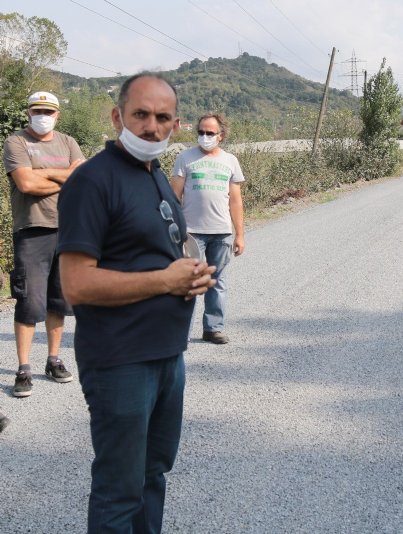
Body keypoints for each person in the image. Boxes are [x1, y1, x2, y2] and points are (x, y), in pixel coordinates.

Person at [57, 73, 216, 533]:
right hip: (120, 361)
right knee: (119, 490)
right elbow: (77, 285)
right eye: (141, 114)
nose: (151, 127)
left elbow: (169, 245)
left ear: (175, 124)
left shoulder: (157, 174)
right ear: (117, 116)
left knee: (152, 475)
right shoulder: (92, 181)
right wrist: (164, 281)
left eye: (162, 118)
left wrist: (191, 270)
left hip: (167, 355)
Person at [2, 91, 84, 398]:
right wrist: (65, 177)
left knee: (58, 301)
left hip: (68, 230)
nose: (42, 115)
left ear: (57, 114)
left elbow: (82, 179)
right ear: (28, 112)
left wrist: (44, 173)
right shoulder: (16, 142)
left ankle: (53, 360)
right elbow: (25, 183)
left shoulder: (68, 142)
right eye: (37, 110)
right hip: (32, 230)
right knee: (28, 302)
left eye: (48, 111)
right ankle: (23, 369)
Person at [171, 112, 245, 344]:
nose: (204, 136)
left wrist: (239, 234)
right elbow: (174, 197)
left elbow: (235, 201)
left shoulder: (230, 161)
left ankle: (213, 329)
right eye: (201, 132)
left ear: (220, 135)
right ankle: (179, 332)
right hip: (191, 233)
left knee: (218, 282)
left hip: (221, 233)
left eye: (209, 133)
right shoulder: (185, 158)